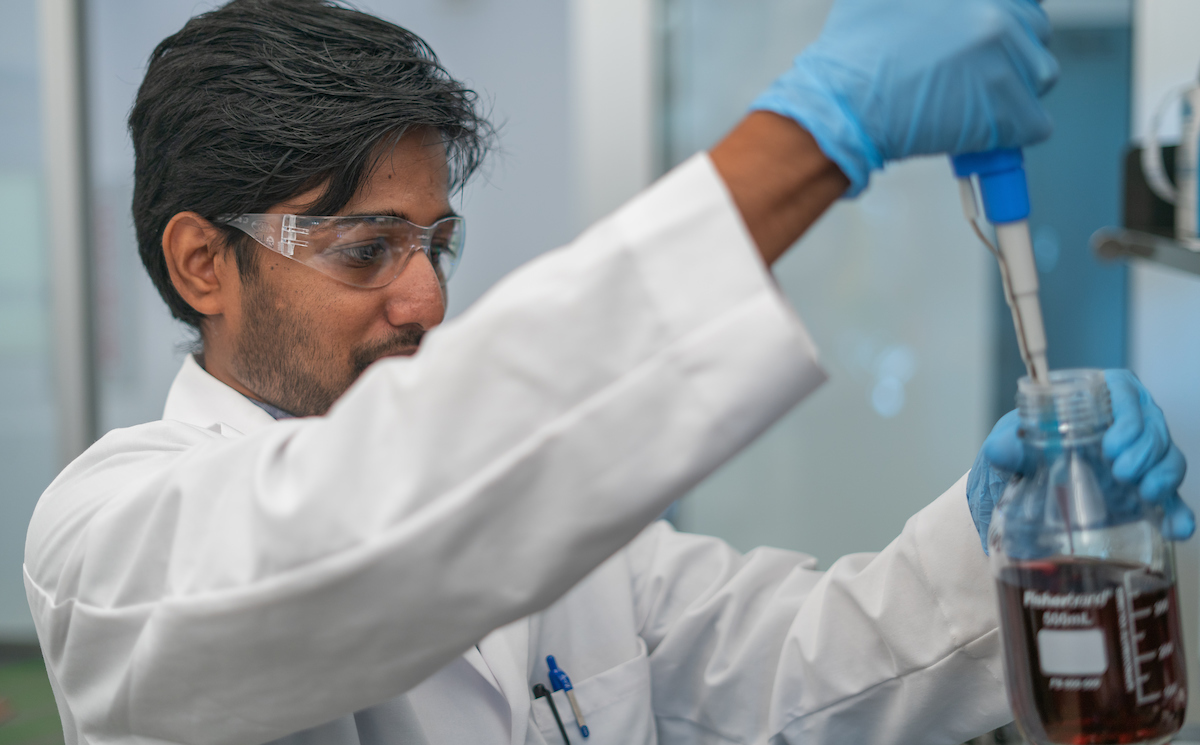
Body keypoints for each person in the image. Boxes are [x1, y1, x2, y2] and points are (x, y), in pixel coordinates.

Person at [22, 0, 1191, 743]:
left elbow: (810, 670)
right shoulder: (107, 545)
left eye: (436, 244)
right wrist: (816, 137)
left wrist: (995, 536)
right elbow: (352, 529)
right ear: (203, 263)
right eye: (367, 248)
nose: (427, 299)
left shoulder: (569, 554)